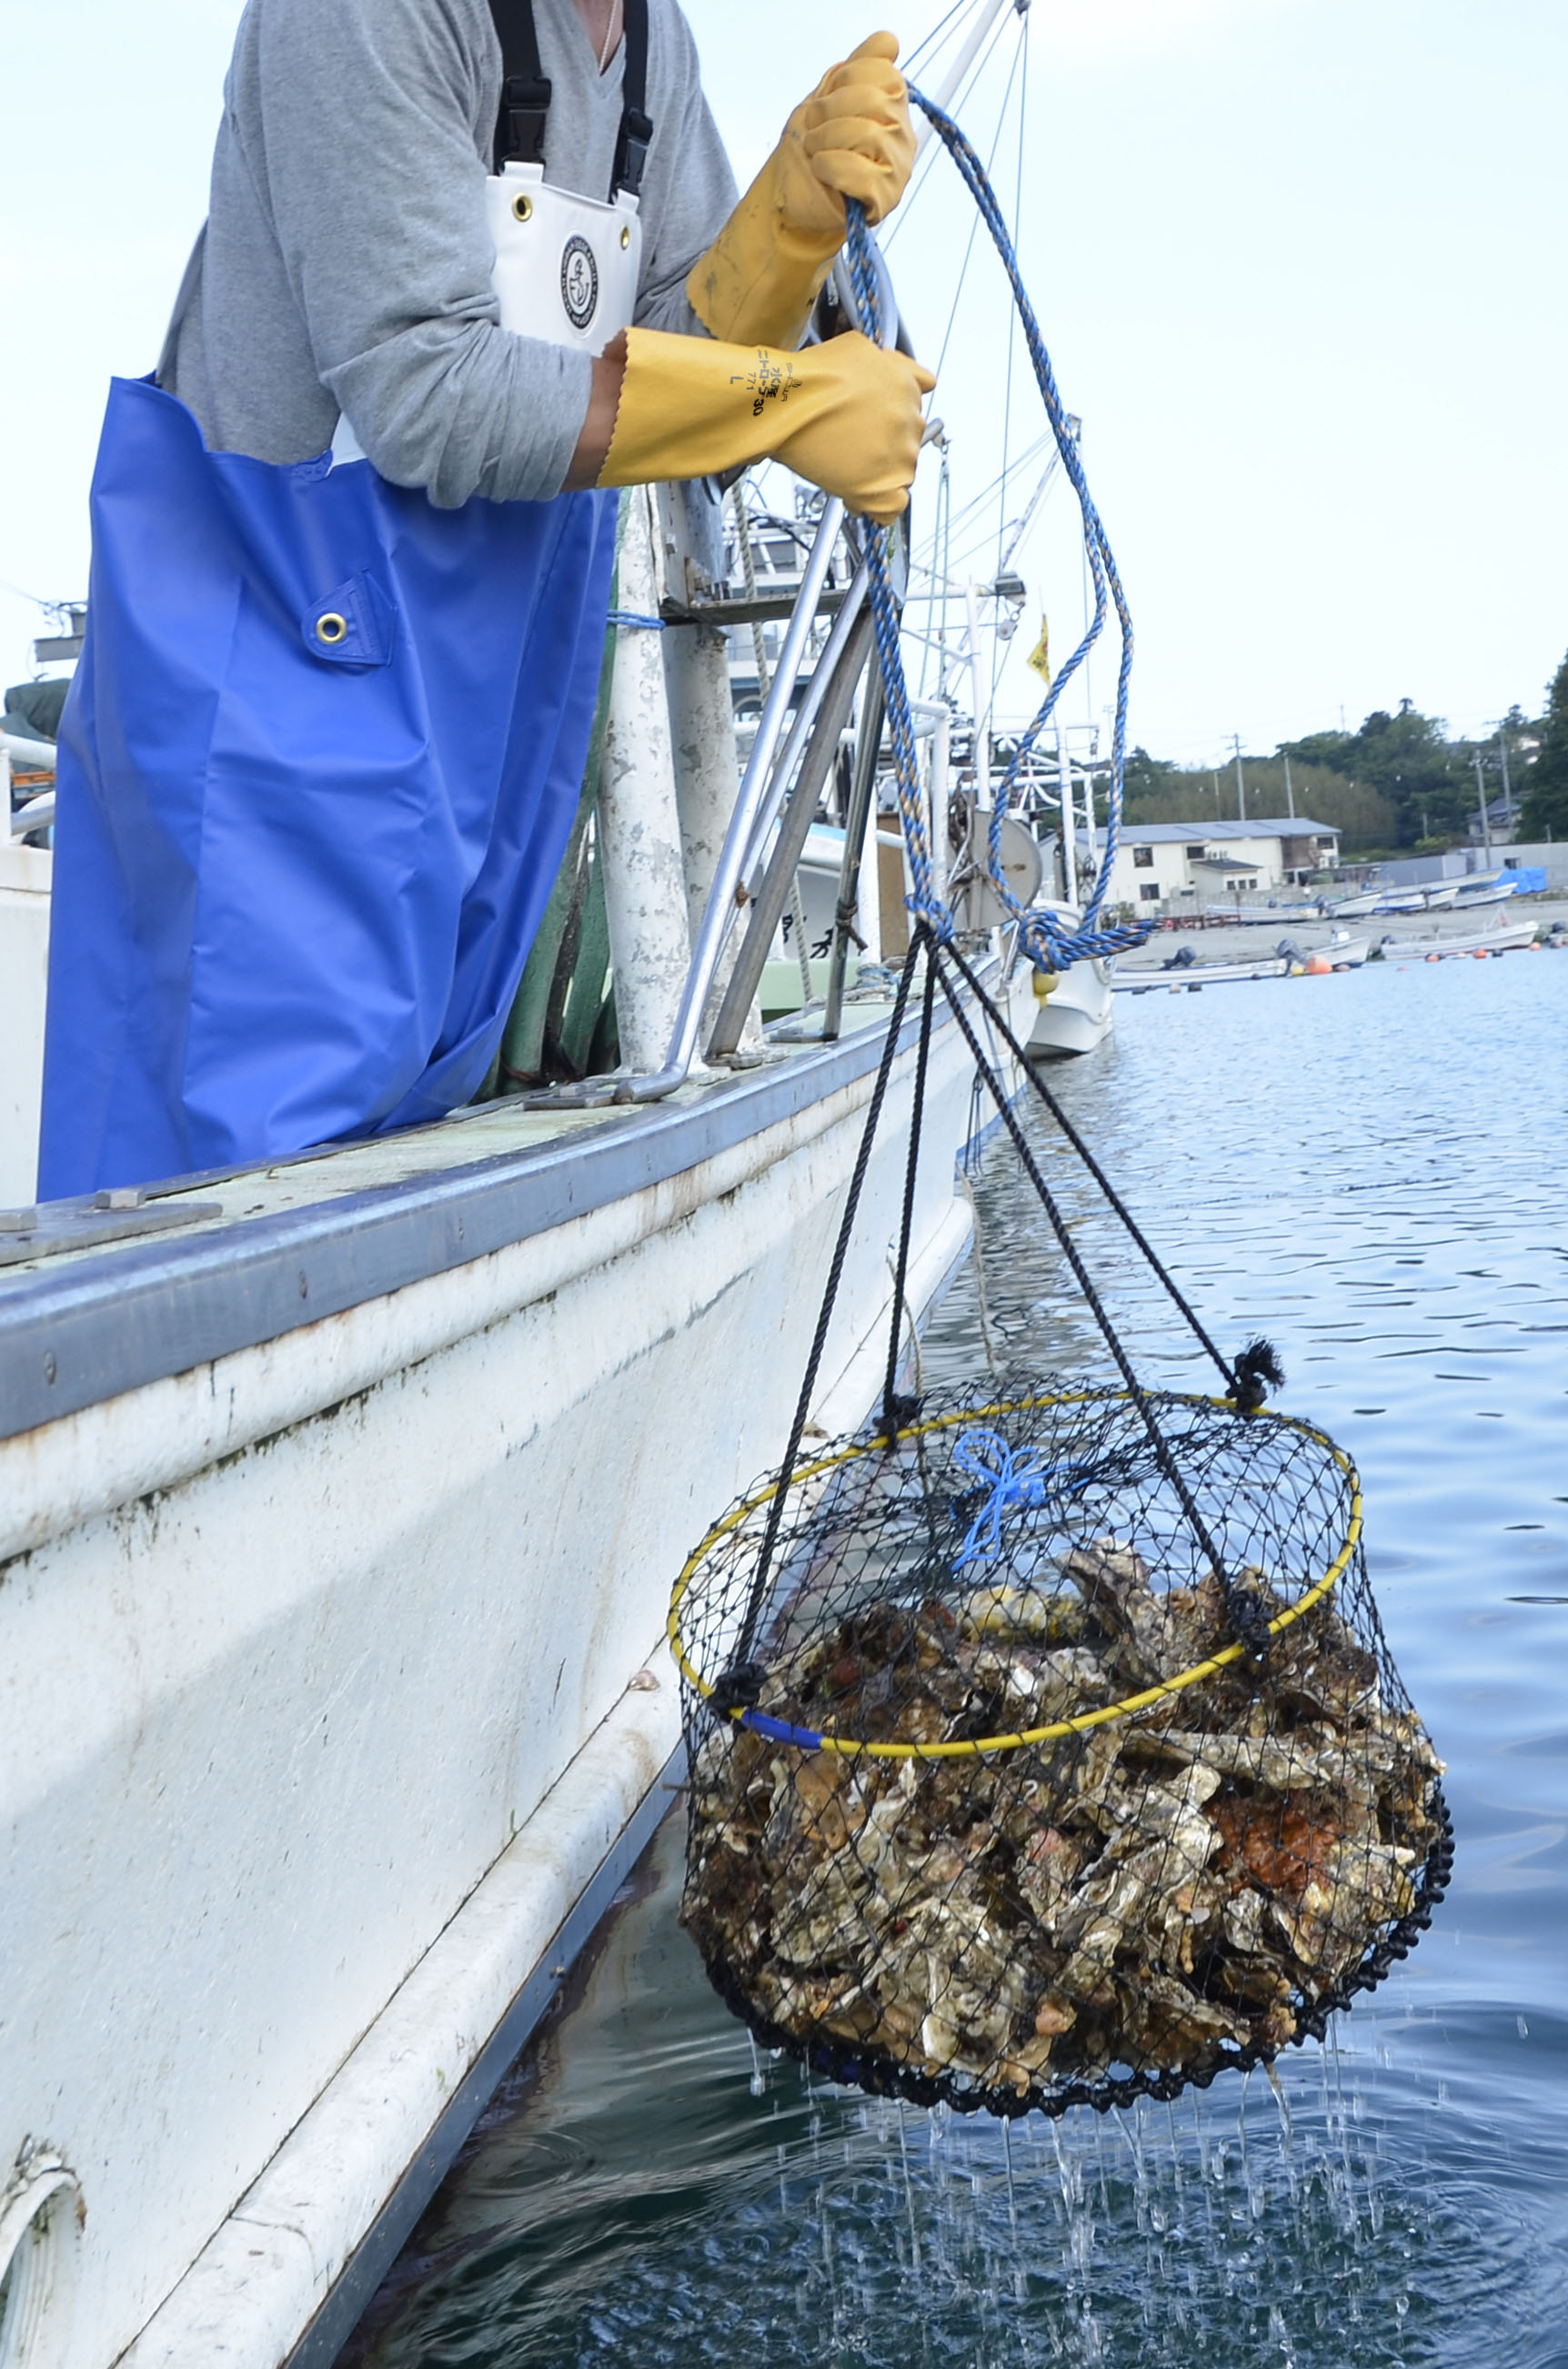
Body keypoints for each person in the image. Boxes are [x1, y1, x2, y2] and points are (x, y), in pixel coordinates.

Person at [38, 0, 933, 1199]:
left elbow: (665, 357)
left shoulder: (651, 40)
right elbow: (426, 390)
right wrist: (788, 402)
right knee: (230, 1219)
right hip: (273, 724)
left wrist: (782, 235)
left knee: (408, 1176)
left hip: (491, 727)